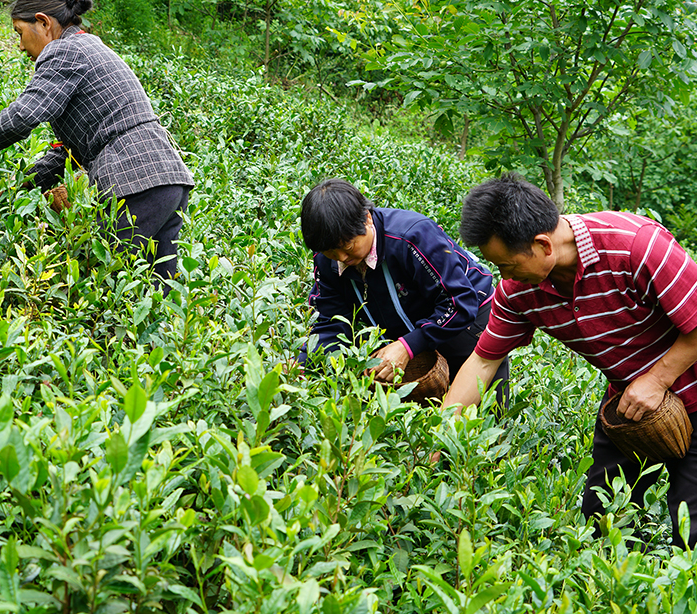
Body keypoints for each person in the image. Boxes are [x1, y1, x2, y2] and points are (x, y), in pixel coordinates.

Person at [447, 172, 697, 547]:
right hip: (628, 408)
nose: (504, 276)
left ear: (543, 244)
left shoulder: (637, 247)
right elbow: (483, 362)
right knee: (600, 520)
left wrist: (656, 380)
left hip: (684, 392)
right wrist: (439, 436)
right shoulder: (518, 292)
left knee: (689, 536)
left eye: (508, 265)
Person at [0, 0, 194, 279]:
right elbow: (68, 154)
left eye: (19, 33)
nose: (21, 46)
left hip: (135, 183)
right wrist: (7, 189)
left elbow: (26, 113)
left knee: (96, 278)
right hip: (168, 181)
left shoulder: (65, 51)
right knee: (157, 292)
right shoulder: (88, 47)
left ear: (43, 22)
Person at [298, 178, 509, 398]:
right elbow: (331, 322)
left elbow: (460, 303)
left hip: (467, 321)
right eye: (331, 253)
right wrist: (301, 365)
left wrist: (408, 346)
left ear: (367, 219)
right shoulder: (327, 259)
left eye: (348, 247)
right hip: (408, 328)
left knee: (483, 410)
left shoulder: (412, 237)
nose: (341, 258)